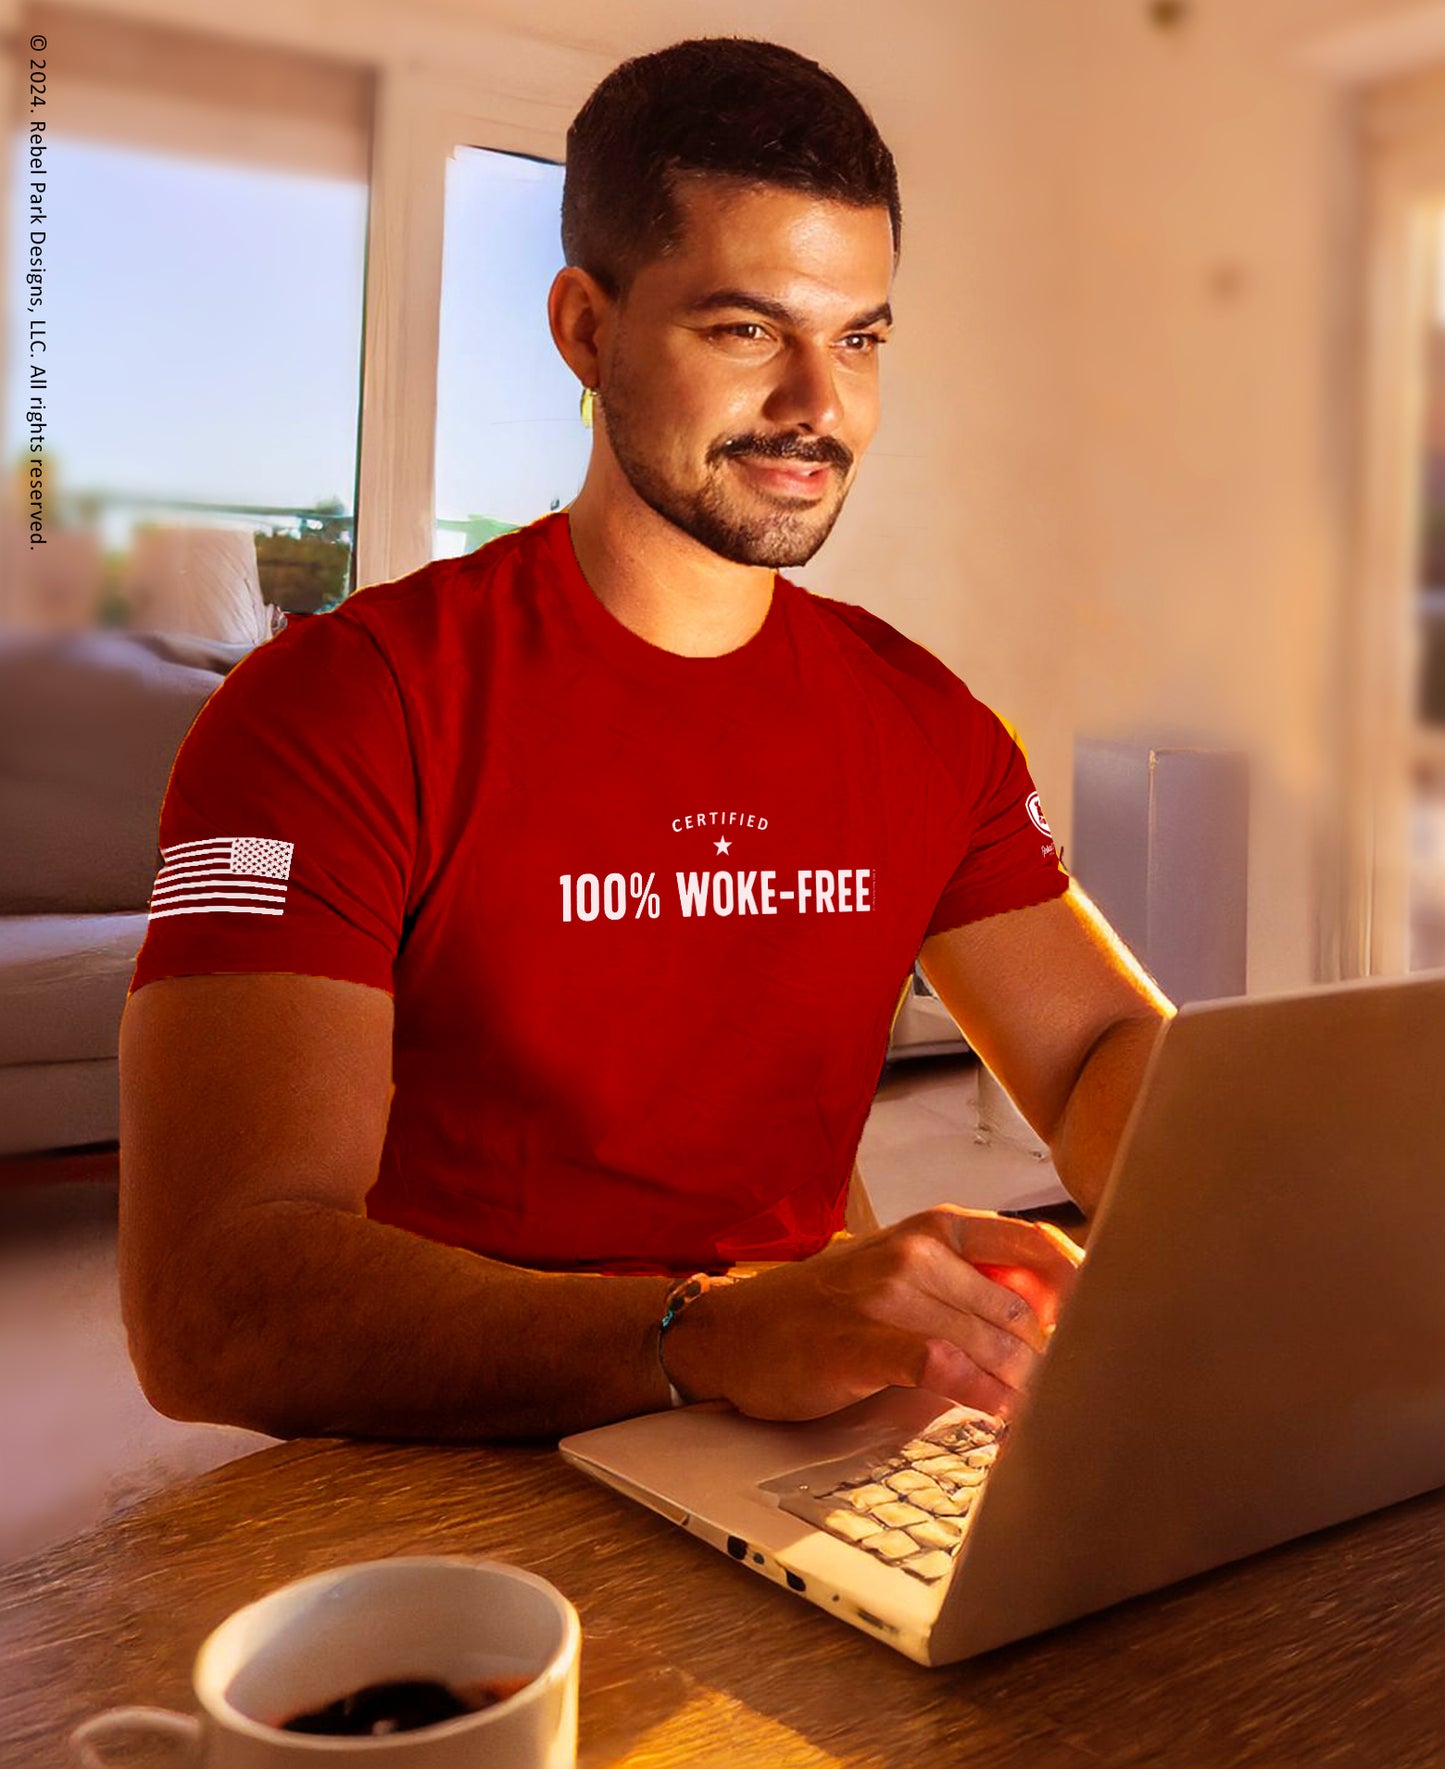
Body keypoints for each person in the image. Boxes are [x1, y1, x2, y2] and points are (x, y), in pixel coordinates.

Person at [119, 38, 1171, 1445]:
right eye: (746, 330)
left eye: (857, 338)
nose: (818, 404)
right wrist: (714, 1329)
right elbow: (213, 1302)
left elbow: (1097, 1044)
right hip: (439, 1447)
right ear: (586, 328)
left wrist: (1272, 1202)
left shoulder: (922, 722)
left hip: (802, 1431)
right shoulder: (336, 707)